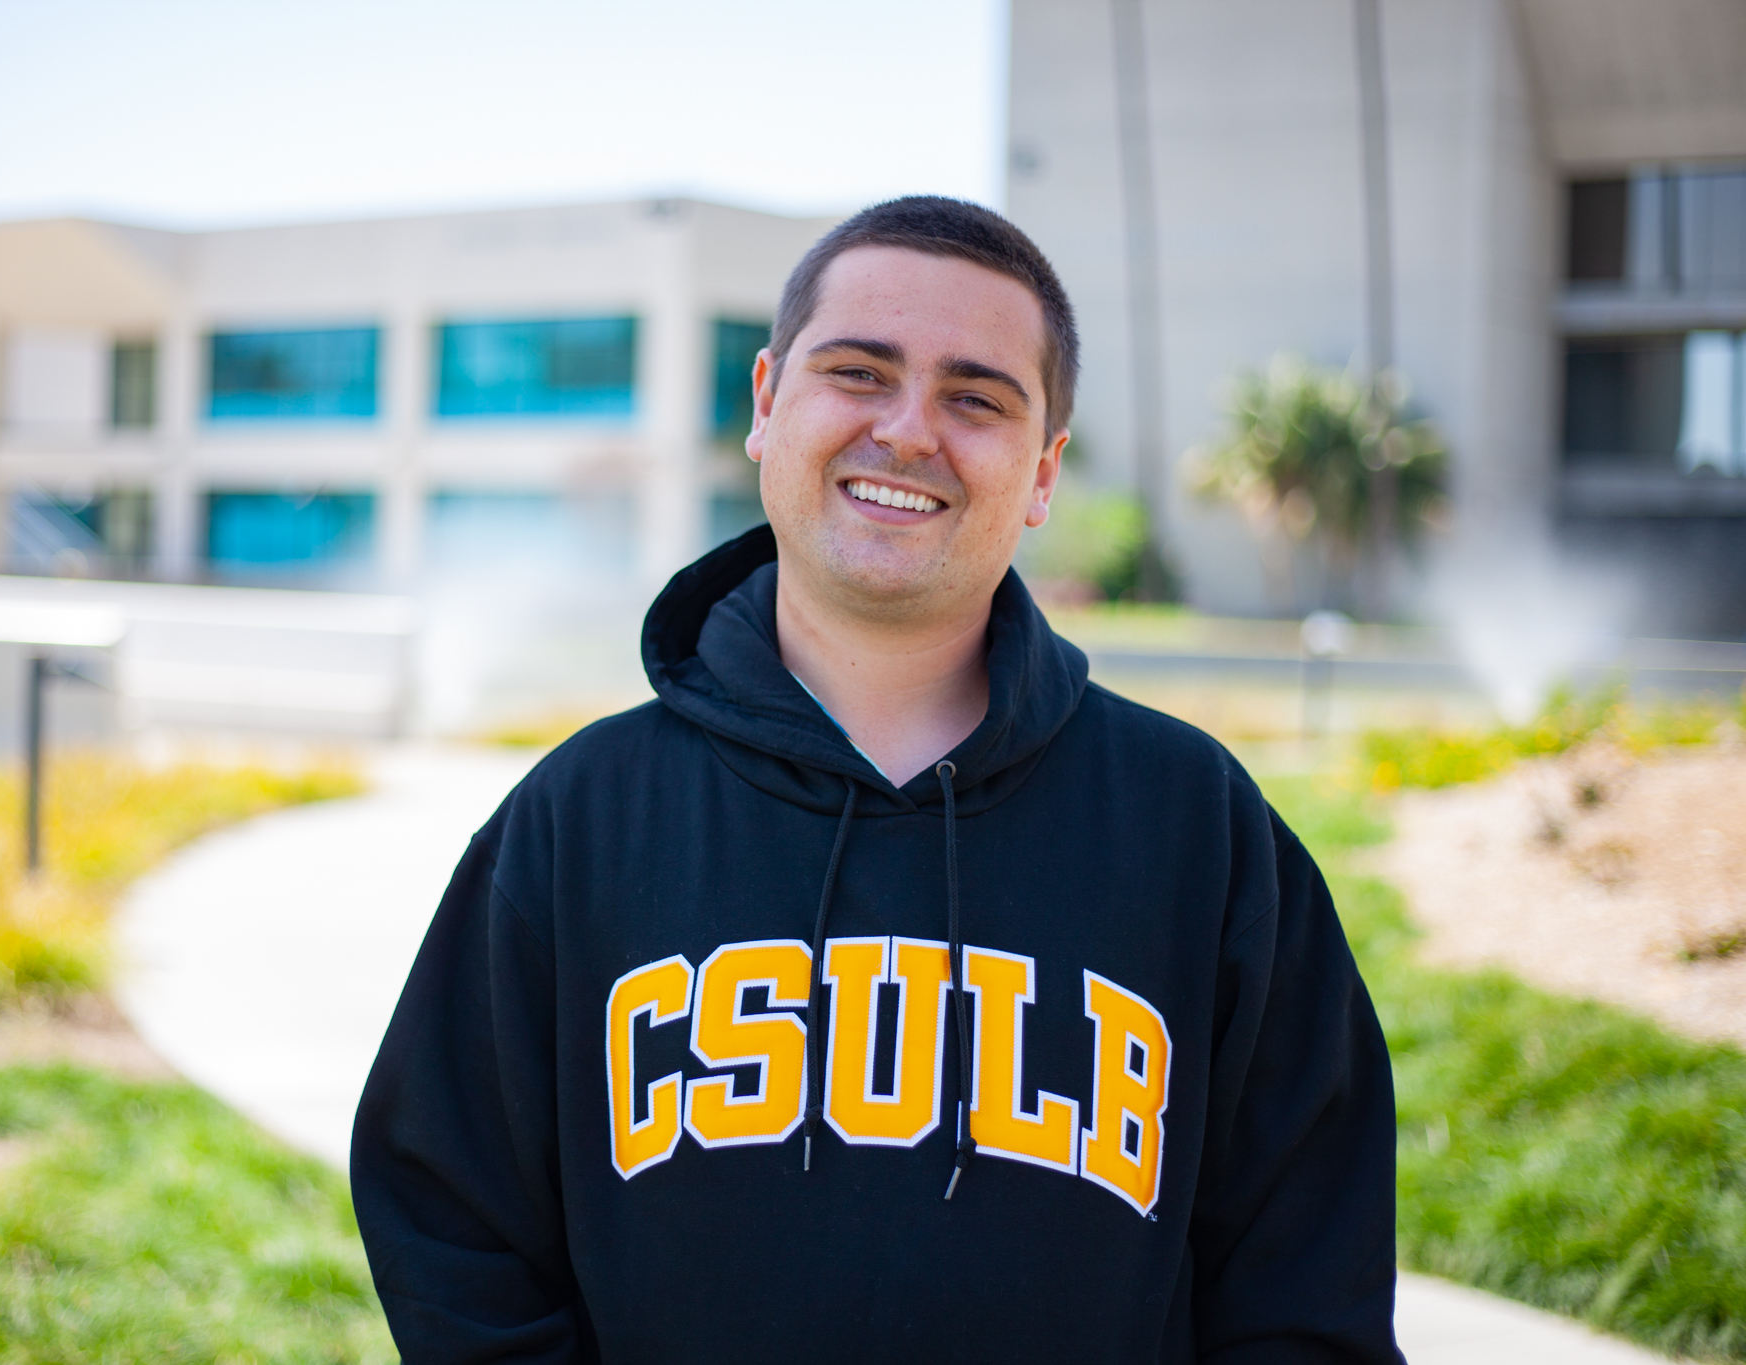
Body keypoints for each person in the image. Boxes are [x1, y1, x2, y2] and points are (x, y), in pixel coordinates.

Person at [350, 196, 1402, 1364]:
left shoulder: (1196, 829)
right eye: (858, 372)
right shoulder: (580, 819)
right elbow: (452, 1231)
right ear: (765, 405)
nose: (907, 432)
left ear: (1043, 470)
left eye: (974, 397)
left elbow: (1308, 1289)